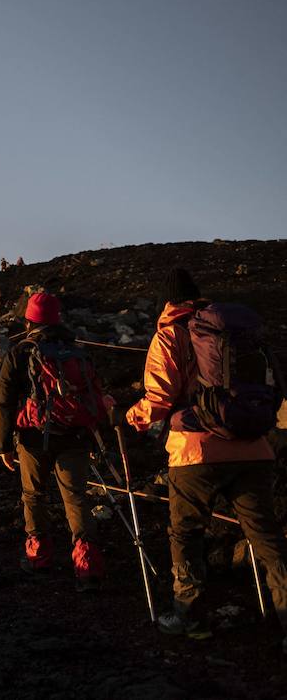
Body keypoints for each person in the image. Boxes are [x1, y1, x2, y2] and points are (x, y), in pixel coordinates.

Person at [126, 268, 287, 646]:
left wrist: (132, 416)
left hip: (195, 452)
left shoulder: (169, 335)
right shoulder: (233, 332)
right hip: (253, 447)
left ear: (168, 301)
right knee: (268, 538)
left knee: (186, 534)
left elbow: (159, 400)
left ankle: (190, 616)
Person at [0, 292, 108, 591]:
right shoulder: (77, 352)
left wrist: (4, 445)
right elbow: (94, 395)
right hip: (75, 436)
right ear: (57, 318)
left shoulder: (20, 352)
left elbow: (5, 402)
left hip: (33, 438)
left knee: (34, 496)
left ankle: (38, 558)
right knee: (76, 498)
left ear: (29, 319)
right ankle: (87, 567)